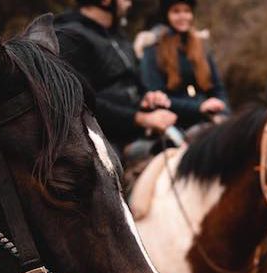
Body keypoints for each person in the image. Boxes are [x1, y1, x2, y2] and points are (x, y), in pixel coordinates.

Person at [54, 0, 177, 156]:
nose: (129, 3)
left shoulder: (118, 35)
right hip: (100, 138)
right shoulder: (69, 37)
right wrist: (141, 118)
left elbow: (132, 82)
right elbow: (81, 102)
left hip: (135, 129)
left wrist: (147, 98)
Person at [140, 0, 230, 131]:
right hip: (174, 122)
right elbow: (156, 96)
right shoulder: (153, 50)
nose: (183, 16)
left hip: (208, 117)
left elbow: (218, 88)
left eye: (186, 11)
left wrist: (223, 110)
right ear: (167, 15)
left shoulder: (202, 46)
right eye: (176, 11)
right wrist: (199, 107)